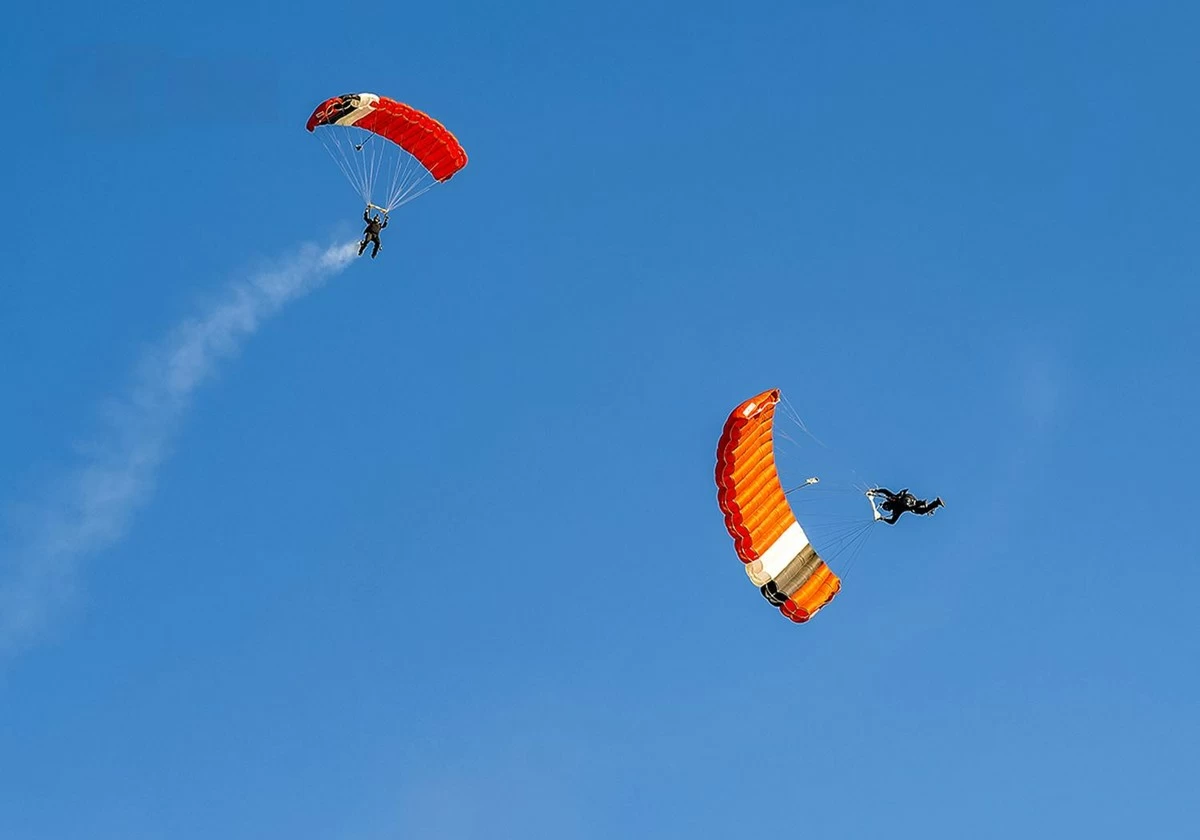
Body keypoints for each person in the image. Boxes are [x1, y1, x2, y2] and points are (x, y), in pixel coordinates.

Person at [867, 487, 944, 524]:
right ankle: (936, 503)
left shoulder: (892, 498)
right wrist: (882, 519)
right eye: (886, 508)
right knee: (920, 512)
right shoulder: (896, 511)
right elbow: (892, 521)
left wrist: (875, 491)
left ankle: (921, 503)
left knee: (907, 504)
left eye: (886, 506)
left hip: (907, 498)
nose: (888, 507)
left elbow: (885, 491)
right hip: (911, 504)